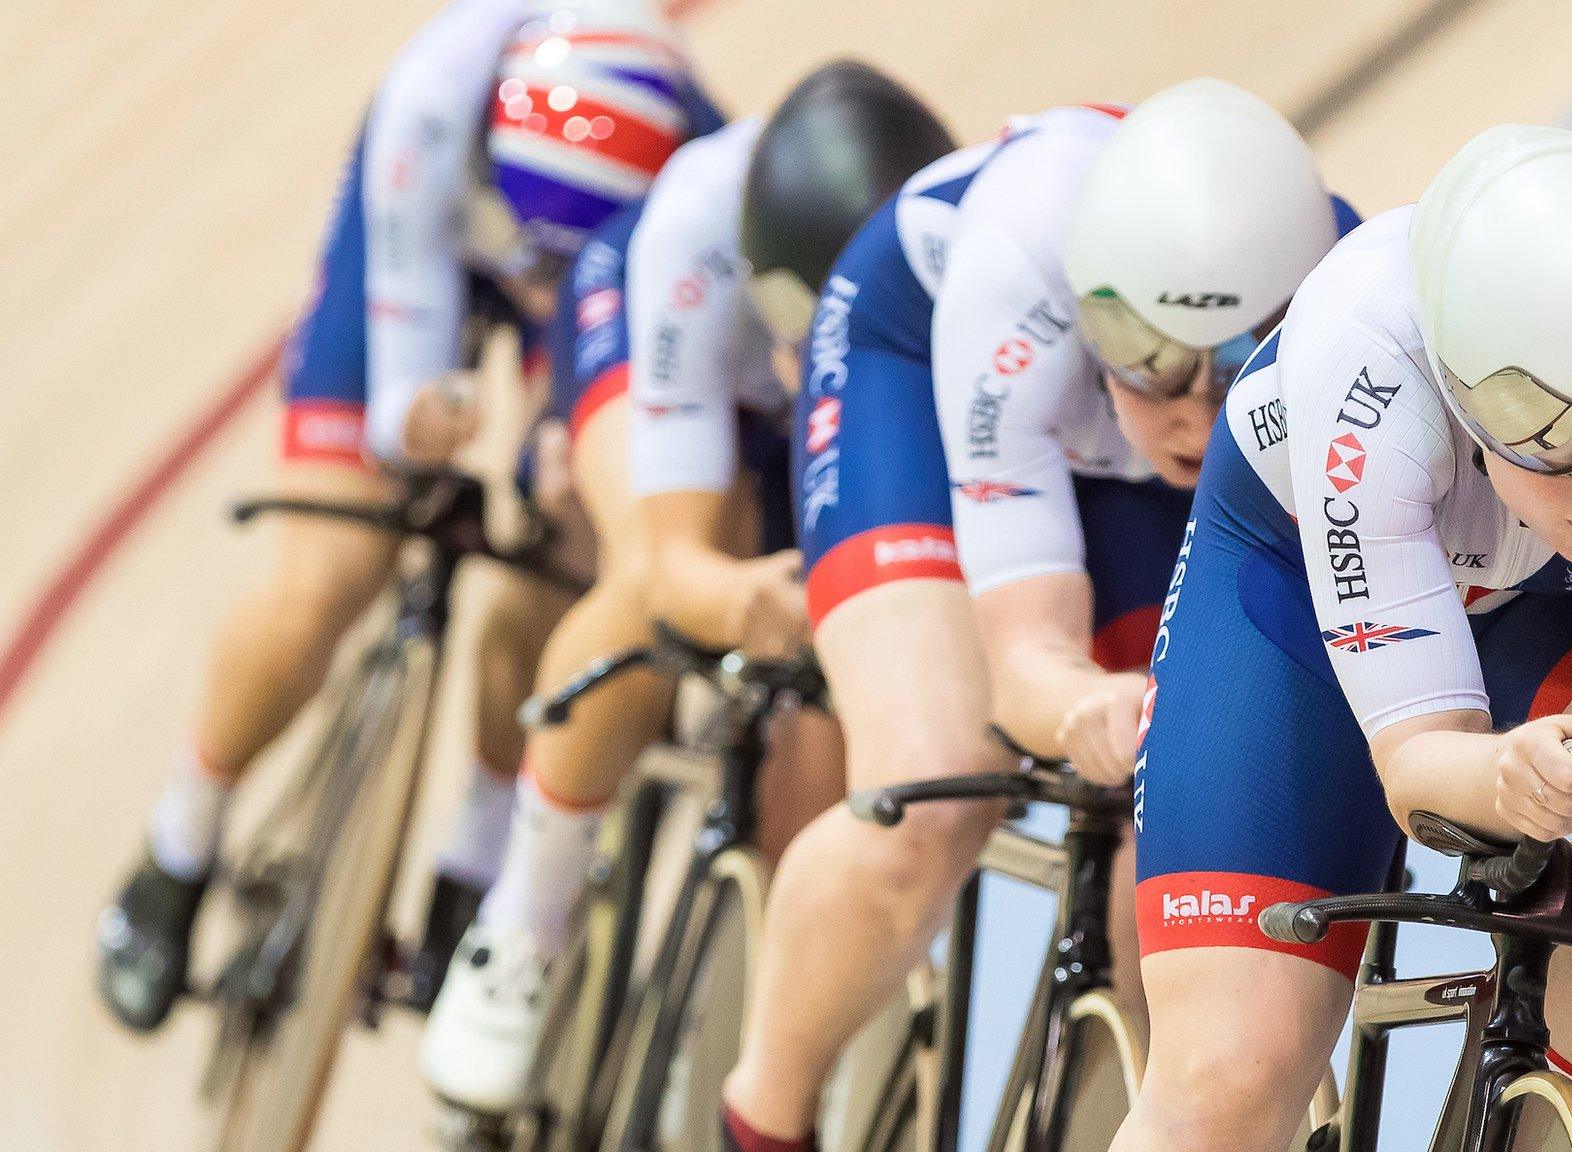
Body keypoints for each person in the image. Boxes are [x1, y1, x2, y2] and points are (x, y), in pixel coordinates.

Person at [1111, 124, 1572, 1152]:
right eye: (1548, 430)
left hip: (1562, 604)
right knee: (1226, 1076)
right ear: (1457, 378)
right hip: (1291, 589)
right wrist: (1503, 778)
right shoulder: (1365, 371)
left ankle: (1544, 1111)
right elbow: (1420, 761)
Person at [719, 79, 1353, 1152]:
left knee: (1200, 823)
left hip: (1104, 439)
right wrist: (1076, 705)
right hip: (914, 374)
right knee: (925, 798)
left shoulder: (1347, 293)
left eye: (1240, 363)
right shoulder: (1012, 280)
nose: (1195, 412)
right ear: (1092, 313)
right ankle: (761, 1120)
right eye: (1150, 363)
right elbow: (1026, 666)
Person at [94, 0, 713, 1032]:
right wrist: (413, 416)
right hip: (426, 238)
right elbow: (400, 347)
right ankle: (178, 845)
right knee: (330, 572)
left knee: (564, 549)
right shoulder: (435, 100)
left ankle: (472, 859)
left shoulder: (686, 164)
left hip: (587, 293)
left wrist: (561, 440)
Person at [417, 60, 957, 1115]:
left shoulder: (948, 261)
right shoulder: (691, 240)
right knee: (651, 587)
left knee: (835, 704)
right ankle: (521, 922)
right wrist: (732, 595)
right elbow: (677, 565)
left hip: (842, 394)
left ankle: (747, 1004)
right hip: (669, 347)